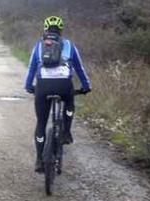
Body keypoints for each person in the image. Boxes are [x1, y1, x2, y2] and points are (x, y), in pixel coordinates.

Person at [24, 15, 91, 172]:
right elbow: (80, 69)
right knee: (69, 102)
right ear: (61, 30)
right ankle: (66, 132)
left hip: (43, 87)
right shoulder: (69, 45)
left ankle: (40, 159)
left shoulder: (38, 46)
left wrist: (29, 86)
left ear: (45, 30)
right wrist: (86, 86)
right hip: (63, 86)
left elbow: (32, 69)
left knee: (41, 123)